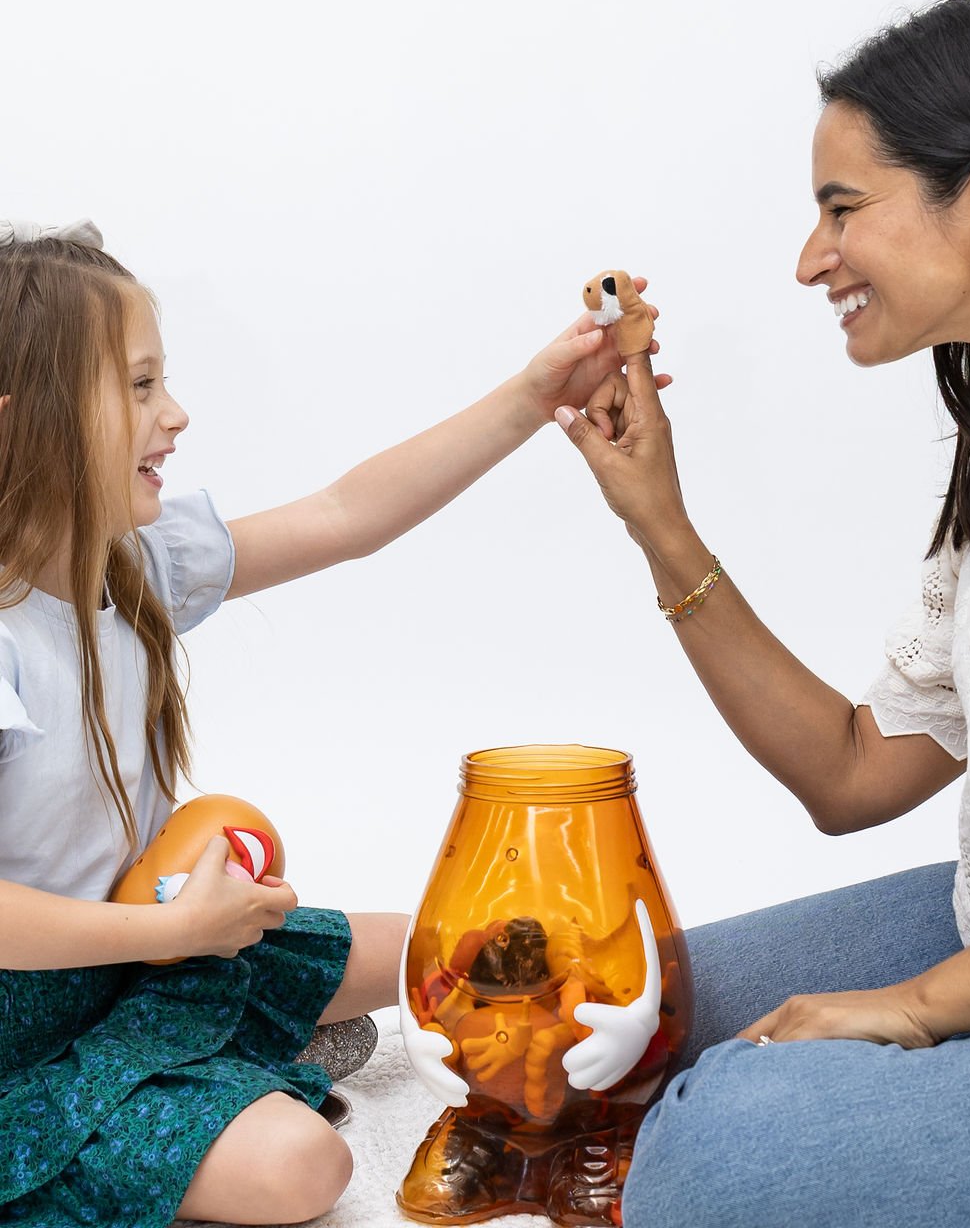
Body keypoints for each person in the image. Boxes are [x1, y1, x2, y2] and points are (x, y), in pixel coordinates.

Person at [0, 223, 662, 1228]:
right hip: (29, 1019)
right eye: (138, 388)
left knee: (475, 954)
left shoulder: (130, 559)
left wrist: (537, 396)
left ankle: (221, 1051)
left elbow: (350, 511)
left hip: (136, 953)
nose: (174, 415)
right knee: (303, 1168)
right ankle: (209, 1074)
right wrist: (175, 928)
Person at [554, 0, 970, 1227]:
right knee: (624, 1007)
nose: (810, 259)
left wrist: (913, 1006)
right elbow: (854, 774)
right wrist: (659, 521)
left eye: (841, 208)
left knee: (718, 1151)